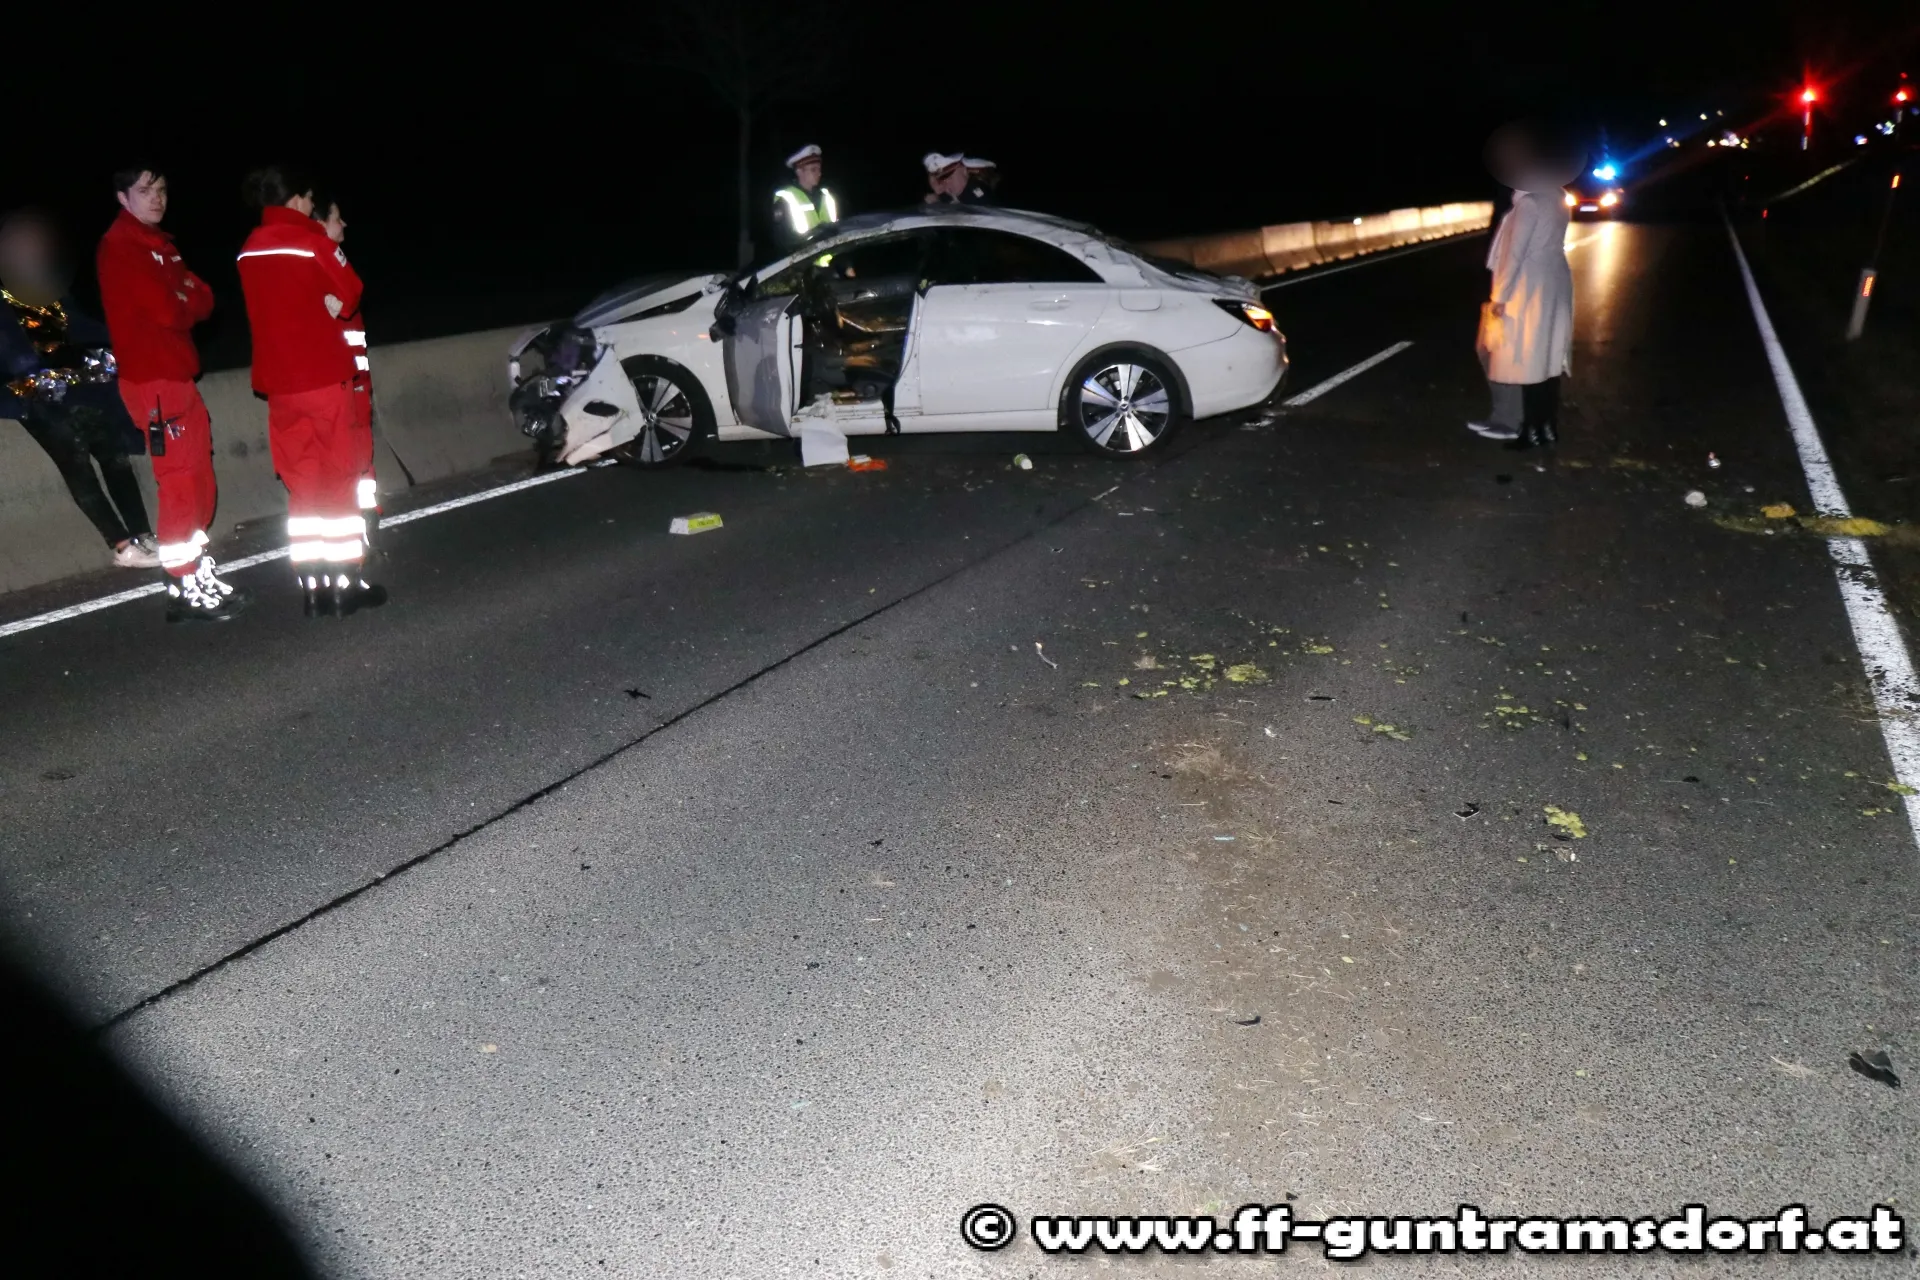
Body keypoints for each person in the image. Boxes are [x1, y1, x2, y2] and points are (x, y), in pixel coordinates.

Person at [96, 164, 249, 621]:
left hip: (178, 376)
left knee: (198, 478)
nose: (156, 197)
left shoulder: (160, 245)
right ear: (123, 197)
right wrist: (183, 296)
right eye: (145, 190)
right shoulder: (122, 246)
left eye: (161, 188)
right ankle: (182, 583)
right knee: (180, 482)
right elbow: (168, 310)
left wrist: (185, 295)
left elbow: (201, 297)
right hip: (154, 381)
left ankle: (195, 570)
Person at [236, 166, 383, 617]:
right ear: (299, 199)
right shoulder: (310, 240)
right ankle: (344, 584)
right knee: (339, 479)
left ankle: (313, 586)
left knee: (302, 484)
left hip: (280, 388)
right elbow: (351, 290)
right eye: (310, 199)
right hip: (323, 379)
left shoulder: (248, 249)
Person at [1, 210, 158, 569]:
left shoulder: (47, 288)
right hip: (31, 396)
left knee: (113, 454)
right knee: (75, 463)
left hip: (74, 387)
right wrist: (38, 372)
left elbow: (83, 329)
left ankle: (142, 534)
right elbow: (13, 350)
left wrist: (114, 347)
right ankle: (122, 545)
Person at [1479, 122, 1578, 451]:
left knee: (1528, 361)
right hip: (1555, 281)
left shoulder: (1529, 204)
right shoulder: (1558, 197)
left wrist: (1499, 298)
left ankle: (1531, 430)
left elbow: (1513, 256)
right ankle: (1548, 427)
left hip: (1528, 288)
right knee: (1548, 361)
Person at [310, 189, 380, 550]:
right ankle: (352, 523)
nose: (344, 224)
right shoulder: (319, 265)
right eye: (337, 217)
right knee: (344, 455)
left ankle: (366, 515)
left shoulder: (333, 264)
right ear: (319, 223)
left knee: (360, 452)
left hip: (355, 379)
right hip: (339, 382)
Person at [771, 145, 839, 252]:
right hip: (803, 261)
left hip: (832, 260)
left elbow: (838, 231)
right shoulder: (786, 199)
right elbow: (783, 242)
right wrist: (816, 237)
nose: (819, 173)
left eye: (819, 169)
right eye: (813, 170)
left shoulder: (826, 195)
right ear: (799, 172)